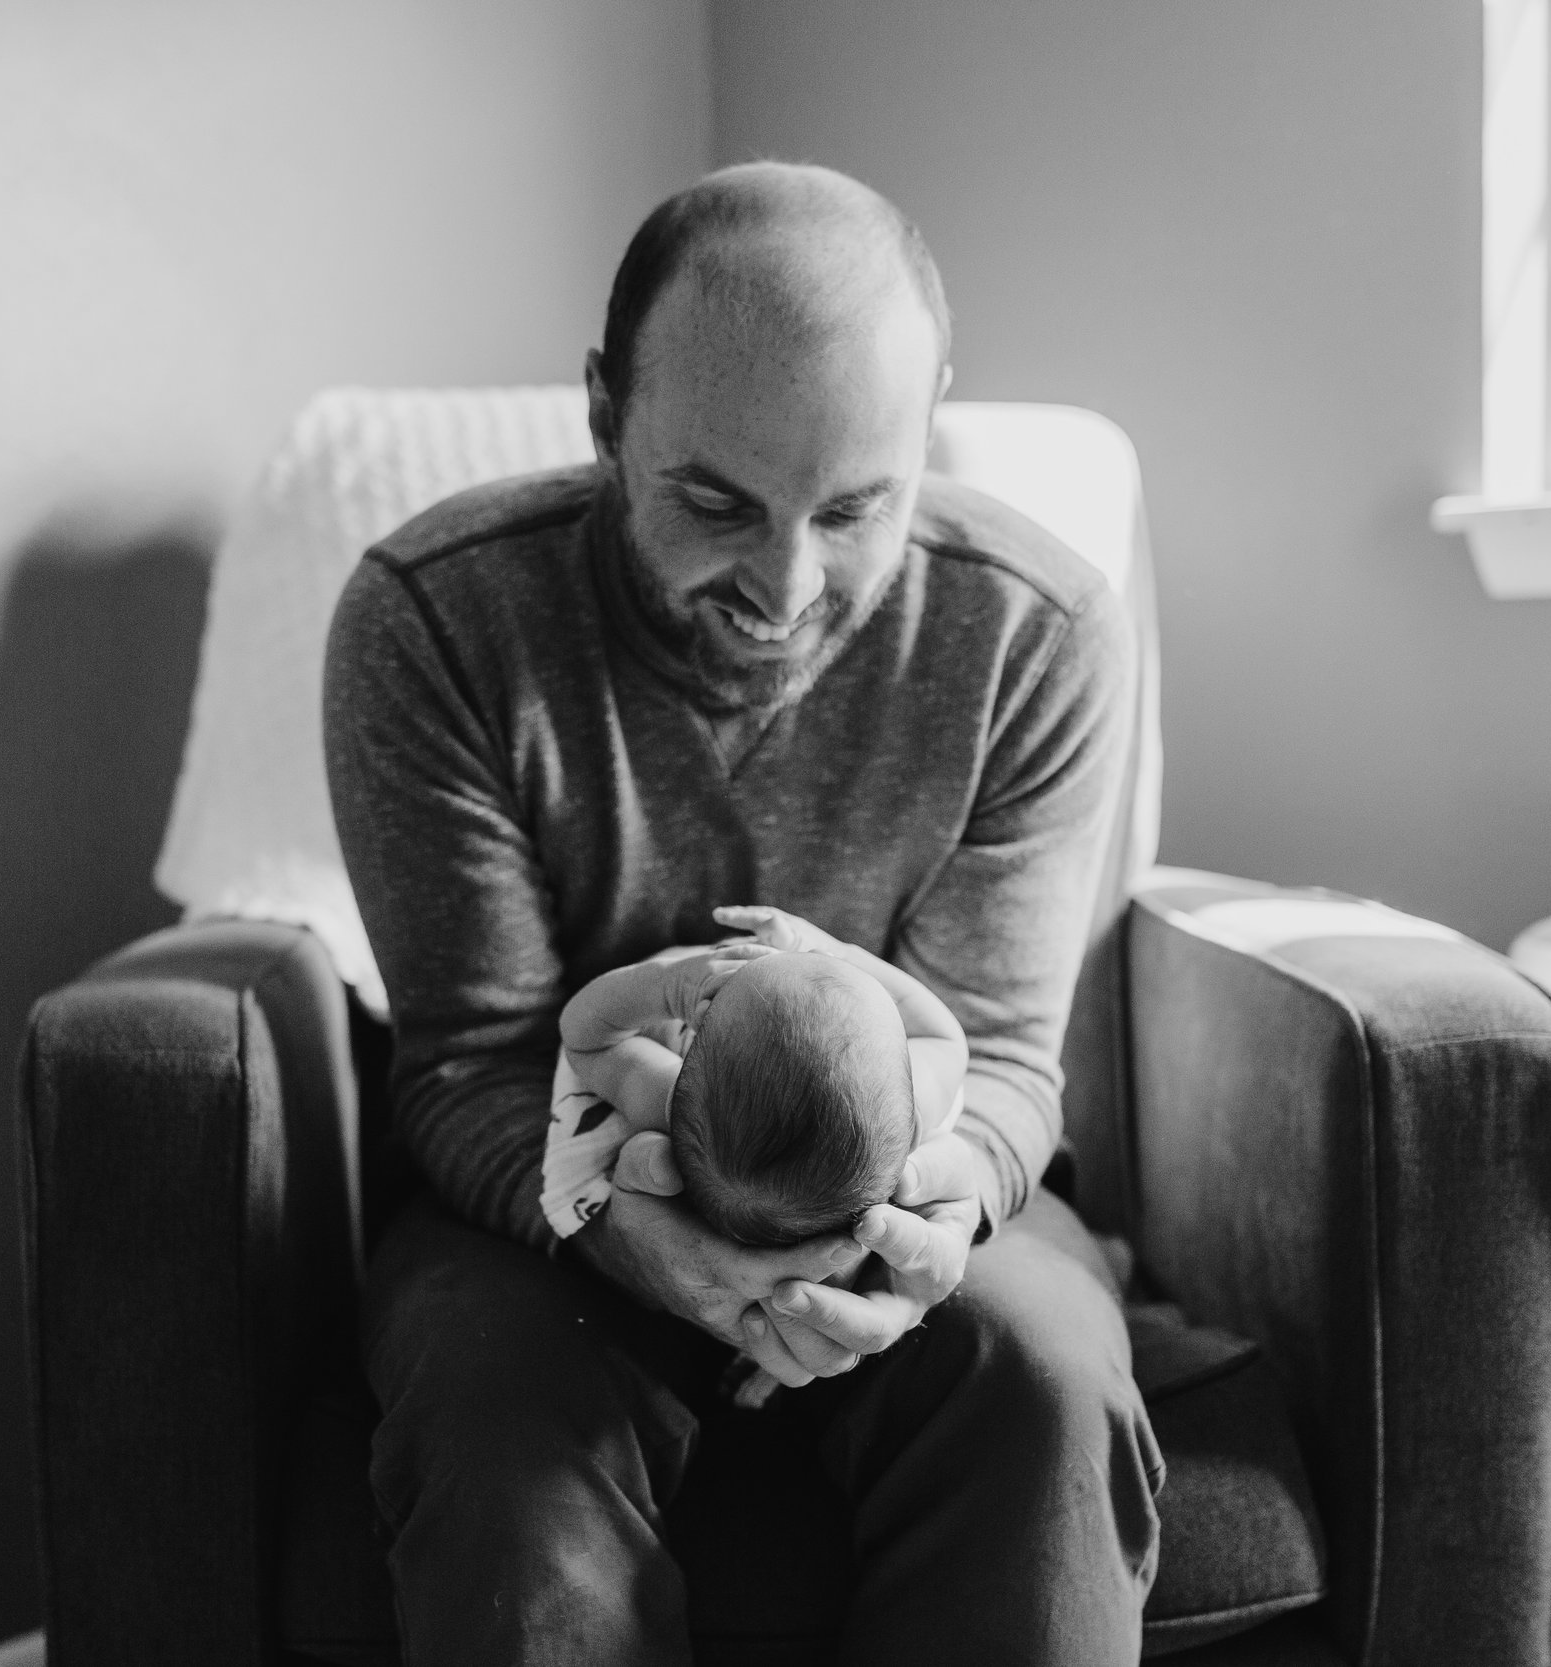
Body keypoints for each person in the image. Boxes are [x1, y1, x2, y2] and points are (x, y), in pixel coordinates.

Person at [325, 160, 1159, 1665]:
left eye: (856, 510)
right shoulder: (436, 619)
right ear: (604, 411)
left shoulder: (1036, 637)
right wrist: (621, 1221)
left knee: (1039, 1379)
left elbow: (1009, 1058)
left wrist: (920, 1232)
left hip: (905, 1173)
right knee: (506, 1444)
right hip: (553, 1196)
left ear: (930, 427)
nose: (786, 584)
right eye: (716, 501)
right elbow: (471, 1057)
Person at [555, 902, 968, 1252]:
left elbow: (586, 1039)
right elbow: (944, 1035)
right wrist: (837, 951)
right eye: (823, 967)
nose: (799, 957)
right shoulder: (911, 1109)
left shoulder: (675, 1103)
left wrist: (669, 988)